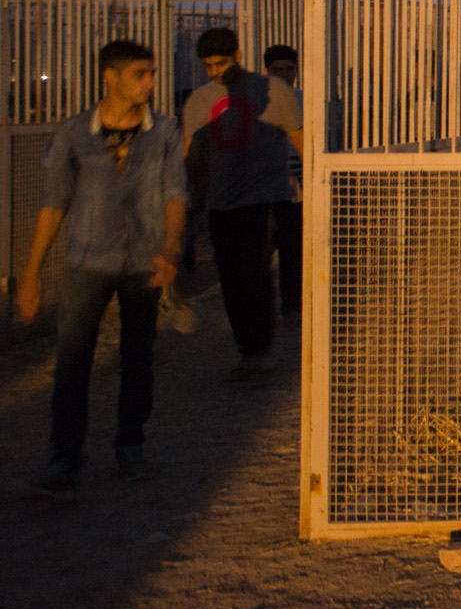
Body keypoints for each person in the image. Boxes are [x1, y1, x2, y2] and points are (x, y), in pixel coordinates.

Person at [17, 40, 187, 492]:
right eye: (141, 74)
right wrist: (31, 272)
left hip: (141, 262)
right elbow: (53, 203)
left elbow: (175, 195)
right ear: (109, 77)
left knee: (138, 360)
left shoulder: (165, 131)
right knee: (72, 363)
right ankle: (64, 460)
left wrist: (170, 251)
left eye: (152, 73)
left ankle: (130, 447)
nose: (151, 82)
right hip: (87, 261)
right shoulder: (74, 134)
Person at [181, 27, 302, 378]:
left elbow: (298, 139)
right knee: (232, 278)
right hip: (222, 202)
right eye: (209, 65)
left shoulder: (273, 91)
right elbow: (194, 155)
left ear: (237, 56)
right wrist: (191, 198)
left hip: (266, 196)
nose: (216, 71)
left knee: (256, 272)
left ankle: (257, 350)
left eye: (221, 62)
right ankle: (248, 345)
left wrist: (313, 185)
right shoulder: (200, 101)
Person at [262, 43, 303, 318]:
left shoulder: (304, 99)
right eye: (278, 70)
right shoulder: (256, 99)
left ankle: (292, 304)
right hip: (263, 188)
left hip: (296, 188)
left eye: (290, 69)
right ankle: (261, 306)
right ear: (266, 71)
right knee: (261, 252)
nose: (285, 75)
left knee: (293, 251)